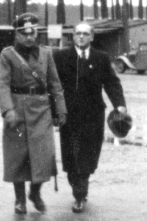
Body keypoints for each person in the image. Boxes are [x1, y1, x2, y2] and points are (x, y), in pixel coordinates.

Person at [0, 12, 67, 214]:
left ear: (36, 33)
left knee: (43, 154)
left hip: (42, 109)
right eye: (24, 33)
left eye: (32, 33)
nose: (28, 37)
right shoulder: (7, 55)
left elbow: (55, 83)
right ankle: (20, 200)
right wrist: (7, 110)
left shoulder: (46, 53)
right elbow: (1, 85)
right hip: (17, 109)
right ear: (16, 34)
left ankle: (35, 192)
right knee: (17, 156)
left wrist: (60, 109)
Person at [53, 22, 127, 213]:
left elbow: (112, 83)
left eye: (86, 34)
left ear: (92, 37)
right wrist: (54, 112)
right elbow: (53, 86)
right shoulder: (61, 57)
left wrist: (119, 105)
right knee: (72, 157)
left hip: (93, 115)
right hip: (69, 116)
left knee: (88, 155)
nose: (81, 37)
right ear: (73, 36)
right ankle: (79, 192)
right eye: (78, 33)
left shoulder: (101, 58)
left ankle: (80, 191)